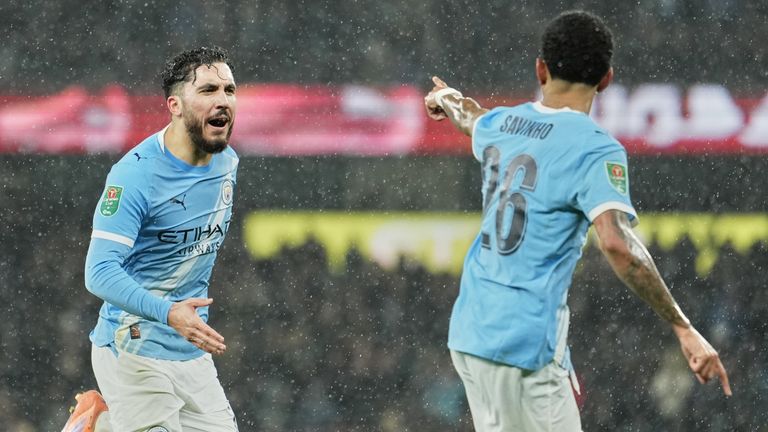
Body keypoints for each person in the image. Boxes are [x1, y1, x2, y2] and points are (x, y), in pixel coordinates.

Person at [424, 10, 731, 432]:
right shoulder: (595, 149)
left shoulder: (501, 124)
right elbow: (617, 244)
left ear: (541, 68)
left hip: (471, 334)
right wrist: (683, 326)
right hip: (524, 346)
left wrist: (444, 98)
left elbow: (469, 116)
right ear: (606, 78)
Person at [62, 46, 240, 432]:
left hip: (190, 349)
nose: (223, 100)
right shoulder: (134, 176)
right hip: (132, 344)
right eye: (208, 90)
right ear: (175, 105)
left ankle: (101, 424)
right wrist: (168, 311)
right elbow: (99, 272)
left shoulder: (227, 163)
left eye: (229, 90)